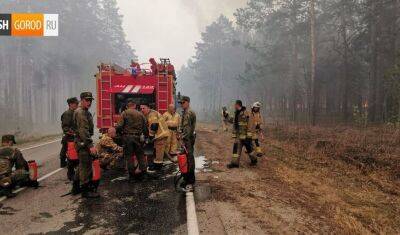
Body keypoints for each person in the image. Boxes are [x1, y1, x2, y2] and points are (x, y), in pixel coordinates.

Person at [73, 92, 99, 198]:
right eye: (87, 100)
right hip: (83, 143)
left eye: (90, 100)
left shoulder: (84, 111)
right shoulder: (80, 113)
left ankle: (76, 187)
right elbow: (83, 131)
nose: (89, 102)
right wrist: (90, 145)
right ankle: (85, 190)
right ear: (82, 100)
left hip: (82, 142)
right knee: (86, 166)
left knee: (81, 165)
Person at [116, 99, 148, 180]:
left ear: (127, 106)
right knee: (140, 155)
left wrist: (119, 134)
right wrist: (146, 137)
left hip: (127, 138)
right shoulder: (140, 114)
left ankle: (132, 176)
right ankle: (144, 174)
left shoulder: (124, 113)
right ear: (135, 106)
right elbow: (145, 128)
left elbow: (119, 126)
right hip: (138, 137)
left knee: (129, 156)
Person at [227, 100, 257, 169]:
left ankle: (254, 160)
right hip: (238, 136)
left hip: (246, 136)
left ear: (238, 105)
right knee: (236, 150)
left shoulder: (247, 113)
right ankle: (235, 164)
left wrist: (249, 136)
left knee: (250, 150)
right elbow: (232, 121)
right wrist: (227, 116)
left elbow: (251, 124)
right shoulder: (236, 113)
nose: (234, 106)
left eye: (235, 105)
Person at [140, 103, 169, 172]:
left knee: (159, 153)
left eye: (144, 108)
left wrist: (150, 138)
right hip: (158, 136)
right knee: (157, 151)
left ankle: (158, 169)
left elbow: (154, 126)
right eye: (141, 108)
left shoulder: (152, 115)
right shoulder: (149, 114)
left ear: (148, 108)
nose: (142, 110)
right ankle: (155, 166)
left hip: (161, 135)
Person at [178, 96, 197, 191]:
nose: (181, 104)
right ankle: (187, 179)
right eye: (180, 103)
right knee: (187, 158)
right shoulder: (186, 112)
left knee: (189, 159)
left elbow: (187, 129)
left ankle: (190, 181)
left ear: (188, 102)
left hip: (187, 140)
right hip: (187, 139)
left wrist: (182, 139)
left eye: (183, 103)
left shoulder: (188, 113)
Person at [60, 97, 79, 182]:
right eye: (75, 103)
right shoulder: (67, 114)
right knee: (71, 157)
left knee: (74, 156)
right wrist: (73, 132)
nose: (77, 105)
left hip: (75, 138)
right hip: (70, 138)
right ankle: (70, 174)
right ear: (71, 104)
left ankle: (73, 173)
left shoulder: (75, 112)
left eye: (77, 103)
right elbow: (65, 128)